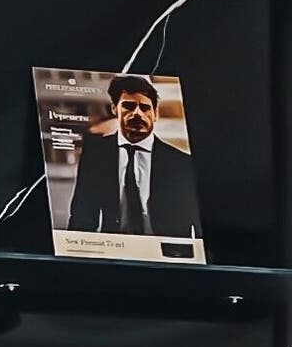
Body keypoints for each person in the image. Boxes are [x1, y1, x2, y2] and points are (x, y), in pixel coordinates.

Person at [67, 75, 199, 243]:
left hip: (165, 255)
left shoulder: (181, 163)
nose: (137, 113)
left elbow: (198, 224)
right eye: (128, 106)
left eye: (144, 108)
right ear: (115, 109)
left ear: (155, 113)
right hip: (115, 251)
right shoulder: (96, 155)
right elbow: (82, 215)